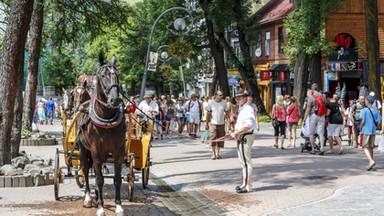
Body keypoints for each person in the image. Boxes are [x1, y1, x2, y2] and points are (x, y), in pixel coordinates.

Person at [230, 90, 256, 193]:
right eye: (237, 98)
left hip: (245, 136)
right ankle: (244, 184)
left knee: (246, 162)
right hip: (242, 136)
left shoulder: (248, 109)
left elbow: (248, 125)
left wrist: (236, 133)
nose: (238, 100)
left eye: (240, 98)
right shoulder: (243, 109)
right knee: (243, 162)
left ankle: (247, 186)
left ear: (245, 98)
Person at [359, 95, 382, 171]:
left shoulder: (364, 110)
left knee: (365, 146)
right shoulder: (376, 110)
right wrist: (377, 127)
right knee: (371, 147)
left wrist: (360, 127)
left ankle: (371, 161)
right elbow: (379, 122)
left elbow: (363, 121)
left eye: (365, 100)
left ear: (368, 102)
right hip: (373, 130)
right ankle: (371, 162)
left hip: (366, 130)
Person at [303, 83, 326, 155]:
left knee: (311, 133)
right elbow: (325, 105)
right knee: (320, 132)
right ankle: (322, 148)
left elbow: (308, 109)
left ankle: (313, 149)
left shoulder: (311, 98)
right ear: (317, 88)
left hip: (313, 115)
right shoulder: (323, 96)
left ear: (312, 89)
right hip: (321, 115)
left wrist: (304, 119)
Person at [205, 91, 229, 160]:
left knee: (220, 138)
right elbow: (208, 114)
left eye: (222, 95)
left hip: (221, 123)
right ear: (215, 95)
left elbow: (227, 112)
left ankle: (218, 153)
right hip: (213, 123)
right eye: (220, 95)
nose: (222, 96)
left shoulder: (224, 102)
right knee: (213, 138)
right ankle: (213, 153)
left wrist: (229, 123)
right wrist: (206, 123)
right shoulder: (211, 102)